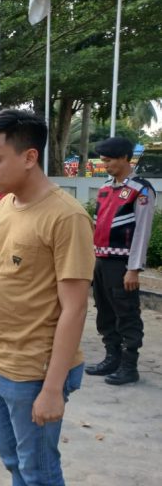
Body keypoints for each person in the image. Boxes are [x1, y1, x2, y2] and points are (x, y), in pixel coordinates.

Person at [0, 110, 93, 486]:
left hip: (33, 371)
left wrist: (53, 389)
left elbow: (75, 308)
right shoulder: (5, 204)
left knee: (39, 471)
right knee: (14, 461)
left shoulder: (65, 217)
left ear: (29, 157)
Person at [86, 137, 156, 385]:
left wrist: (134, 269)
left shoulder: (141, 190)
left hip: (122, 264)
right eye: (103, 161)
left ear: (125, 158)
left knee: (126, 313)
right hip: (101, 260)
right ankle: (111, 357)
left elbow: (142, 232)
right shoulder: (106, 188)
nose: (105, 165)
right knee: (104, 311)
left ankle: (129, 365)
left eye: (109, 160)